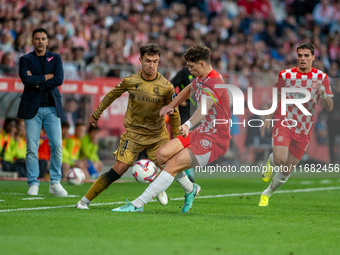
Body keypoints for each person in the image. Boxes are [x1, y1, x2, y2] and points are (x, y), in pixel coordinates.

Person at [111, 44, 231, 213]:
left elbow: (204, 108)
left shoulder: (215, 82)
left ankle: (137, 204)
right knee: (161, 155)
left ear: (202, 64)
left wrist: (187, 124)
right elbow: (189, 89)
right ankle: (191, 189)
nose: (188, 69)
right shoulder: (202, 78)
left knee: (172, 164)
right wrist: (171, 105)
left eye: (191, 66)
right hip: (201, 132)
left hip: (215, 139)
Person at [76, 43, 183, 209]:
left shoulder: (167, 86)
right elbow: (111, 95)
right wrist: (96, 114)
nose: (152, 65)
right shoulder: (131, 81)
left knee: (170, 166)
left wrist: (176, 138)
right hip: (134, 135)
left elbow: (174, 113)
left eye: (155, 61)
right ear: (140, 60)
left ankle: (160, 182)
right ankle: (84, 201)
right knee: (117, 170)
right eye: (148, 61)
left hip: (157, 136)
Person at [259, 42, 333, 206]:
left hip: (304, 129)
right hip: (284, 122)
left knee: (286, 170)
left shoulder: (322, 78)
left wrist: (324, 94)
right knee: (280, 159)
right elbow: (277, 97)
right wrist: (268, 116)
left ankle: (267, 194)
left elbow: (329, 107)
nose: (303, 59)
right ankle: (271, 161)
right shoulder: (286, 75)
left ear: (313, 57)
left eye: (306, 55)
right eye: (300, 55)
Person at [17, 27, 67, 196]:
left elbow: (59, 79)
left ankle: (55, 182)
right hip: (33, 109)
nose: (40, 41)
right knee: (32, 147)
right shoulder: (25, 59)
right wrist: (47, 77)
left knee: (57, 146)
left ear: (47, 41)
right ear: (32, 40)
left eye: (43, 38)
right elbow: (25, 79)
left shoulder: (56, 57)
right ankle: (33, 183)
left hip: (52, 107)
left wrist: (36, 83)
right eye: (37, 38)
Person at [171, 67, 196, 182]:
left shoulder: (205, 76)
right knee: (184, 142)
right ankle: (187, 174)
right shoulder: (184, 73)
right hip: (185, 114)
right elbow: (171, 86)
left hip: (198, 113)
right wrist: (178, 99)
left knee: (194, 144)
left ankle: (188, 173)